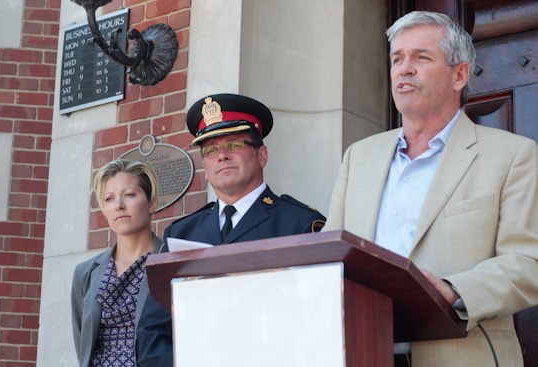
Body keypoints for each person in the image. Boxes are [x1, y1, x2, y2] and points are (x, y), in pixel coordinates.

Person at [323, 11, 538, 367]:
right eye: (397, 59)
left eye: (421, 57)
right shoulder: (358, 157)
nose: (404, 69)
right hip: (362, 351)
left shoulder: (514, 155)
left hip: (463, 355)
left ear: (460, 75)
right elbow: (332, 255)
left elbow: (529, 263)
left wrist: (454, 290)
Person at [135, 93, 326, 366]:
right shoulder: (180, 235)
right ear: (205, 165)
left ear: (262, 155)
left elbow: (318, 318)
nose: (221, 156)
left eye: (234, 144)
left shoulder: (301, 225)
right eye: (210, 150)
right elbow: (154, 328)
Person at [71, 159, 166, 367]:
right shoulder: (85, 272)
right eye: (109, 199)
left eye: (129, 195)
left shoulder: (169, 261)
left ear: (151, 203)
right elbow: (83, 343)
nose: (119, 206)